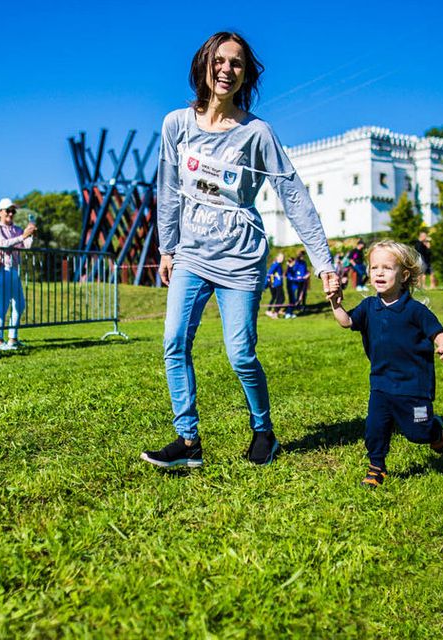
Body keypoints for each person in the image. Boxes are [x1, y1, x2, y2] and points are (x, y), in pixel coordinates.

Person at [140, 31, 339, 469]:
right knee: (174, 341)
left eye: (237, 64)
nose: (227, 70)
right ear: (204, 65)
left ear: (245, 74)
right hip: (191, 252)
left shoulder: (257, 133)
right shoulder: (176, 124)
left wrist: (323, 261)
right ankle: (188, 441)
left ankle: (263, 431)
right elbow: (167, 189)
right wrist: (168, 248)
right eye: (220, 60)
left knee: (240, 353)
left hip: (241, 255)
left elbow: (293, 194)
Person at [328, 240, 443, 488]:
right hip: (381, 383)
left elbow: (437, 331)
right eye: (375, 268)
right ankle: (376, 467)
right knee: (375, 428)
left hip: (414, 387)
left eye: (387, 267)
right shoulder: (369, 306)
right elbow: (346, 321)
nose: (380, 273)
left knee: (418, 433)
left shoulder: (415, 310)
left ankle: (435, 432)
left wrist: (442, 345)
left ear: (404, 275)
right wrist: (335, 303)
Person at [0, 198, 35, 351]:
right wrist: (23, 236)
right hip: (2, 268)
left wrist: (31, 234)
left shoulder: (17, 229)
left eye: (13, 211)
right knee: (3, 304)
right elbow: (1, 243)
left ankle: (12, 338)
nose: (10, 213)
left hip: (13, 269)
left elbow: (26, 247)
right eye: (8, 210)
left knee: (19, 304)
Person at [285, 250, 310, 317]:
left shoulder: (304, 263)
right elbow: (288, 274)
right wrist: (295, 278)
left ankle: (295, 310)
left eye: (303, 255)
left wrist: (307, 275)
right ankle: (288, 312)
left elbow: (305, 272)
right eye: (301, 255)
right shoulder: (294, 263)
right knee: (293, 299)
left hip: (302, 282)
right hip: (293, 283)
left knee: (300, 297)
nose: (302, 257)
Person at [264, 252, 285, 319]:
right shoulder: (276, 264)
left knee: (275, 297)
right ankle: (275, 313)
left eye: (283, 257)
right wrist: (270, 282)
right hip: (276, 284)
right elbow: (269, 273)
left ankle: (270, 310)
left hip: (277, 284)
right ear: (277, 257)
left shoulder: (278, 264)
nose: (282, 258)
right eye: (281, 257)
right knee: (281, 298)